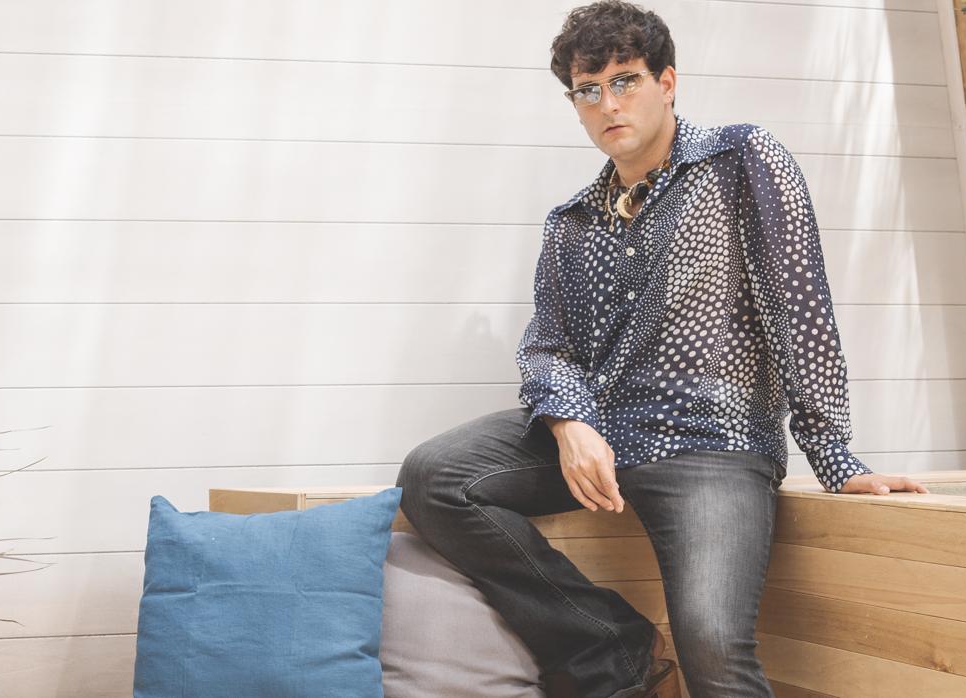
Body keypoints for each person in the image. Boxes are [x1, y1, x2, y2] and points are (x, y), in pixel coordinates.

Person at [394, 2, 930, 696]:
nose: (607, 104)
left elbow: (799, 307)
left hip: (710, 441)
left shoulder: (739, 161)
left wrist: (832, 455)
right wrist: (569, 421)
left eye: (624, 81)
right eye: (587, 91)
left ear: (666, 81)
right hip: (602, 430)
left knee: (712, 644)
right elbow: (548, 346)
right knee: (436, 476)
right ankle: (607, 645)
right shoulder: (570, 223)